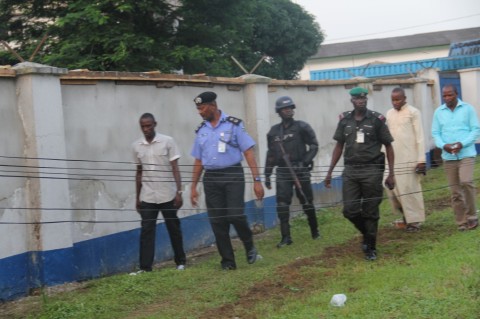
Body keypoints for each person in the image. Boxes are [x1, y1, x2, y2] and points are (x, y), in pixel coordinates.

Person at [190, 91, 265, 270]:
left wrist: (257, 180)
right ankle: (228, 261)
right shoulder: (202, 130)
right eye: (198, 109)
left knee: (235, 215)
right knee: (217, 221)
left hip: (233, 175)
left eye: (202, 108)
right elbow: (198, 160)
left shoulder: (234, 125)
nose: (200, 112)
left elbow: (248, 152)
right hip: (211, 178)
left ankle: (249, 246)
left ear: (213, 106)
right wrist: (193, 186)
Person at [324, 87, 395, 261]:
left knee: (371, 211)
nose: (361, 101)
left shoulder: (376, 120)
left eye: (363, 99)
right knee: (350, 210)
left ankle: (370, 248)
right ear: (352, 101)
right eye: (357, 99)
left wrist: (391, 173)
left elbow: (388, 145)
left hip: (372, 170)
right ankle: (367, 233)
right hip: (351, 171)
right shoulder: (344, 120)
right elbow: (339, 146)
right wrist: (330, 171)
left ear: (366, 100)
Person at [132, 113, 186, 273]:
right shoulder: (136, 146)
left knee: (173, 228)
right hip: (148, 195)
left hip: (167, 194)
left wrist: (179, 192)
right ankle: (145, 267)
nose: (146, 129)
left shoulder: (167, 141)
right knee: (146, 231)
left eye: (149, 125)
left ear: (155, 124)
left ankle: (180, 261)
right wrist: (137, 197)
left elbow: (175, 168)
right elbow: (139, 173)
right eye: (143, 126)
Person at [264, 96, 320, 248]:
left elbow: (314, 146)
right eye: (284, 108)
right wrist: (267, 174)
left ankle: (315, 230)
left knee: (307, 201)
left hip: (300, 169)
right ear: (279, 112)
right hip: (282, 171)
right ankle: (286, 237)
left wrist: (305, 162)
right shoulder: (274, 132)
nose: (288, 110)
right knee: (282, 204)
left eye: (290, 107)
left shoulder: (302, 127)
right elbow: (271, 155)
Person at [432, 84, 480, 231]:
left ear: (456, 94)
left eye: (450, 95)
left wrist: (462, 143)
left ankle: (472, 215)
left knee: (466, 182)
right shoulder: (439, 112)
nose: (447, 98)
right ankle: (461, 222)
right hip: (448, 156)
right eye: (444, 96)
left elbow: (476, 130)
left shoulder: (467, 109)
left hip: (466, 153)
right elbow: (435, 133)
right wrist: (443, 145)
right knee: (455, 191)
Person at [385, 87, 426, 232]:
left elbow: (420, 137)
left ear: (405, 98)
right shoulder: (389, 114)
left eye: (398, 99)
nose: (395, 102)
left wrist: (421, 160)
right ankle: (405, 216)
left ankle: (414, 221)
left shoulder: (413, 112)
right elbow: (387, 138)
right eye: (393, 100)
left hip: (410, 158)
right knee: (392, 189)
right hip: (392, 159)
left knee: (409, 189)